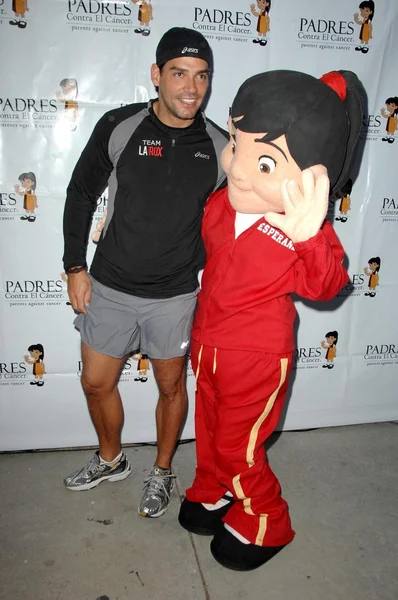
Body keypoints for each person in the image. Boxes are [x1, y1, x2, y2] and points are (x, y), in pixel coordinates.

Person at [178, 69, 364, 570]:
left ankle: (266, 518)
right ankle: (214, 491)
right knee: (212, 429)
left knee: (242, 446)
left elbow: (326, 286)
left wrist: (309, 235)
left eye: (263, 162)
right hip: (209, 343)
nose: (238, 169)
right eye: (236, 145)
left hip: (257, 357)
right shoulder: (220, 205)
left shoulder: (301, 227)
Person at [62, 27, 228, 518]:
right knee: (95, 382)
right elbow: (79, 193)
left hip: (175, 295)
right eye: (179, 73)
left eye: (201, 76)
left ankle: (161, 470)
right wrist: (75, 265)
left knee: (172, 389)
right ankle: (111, 458)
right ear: (157, 75)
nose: (190, 88)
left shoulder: (221, 146)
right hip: (110, 284)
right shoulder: (120, 125)